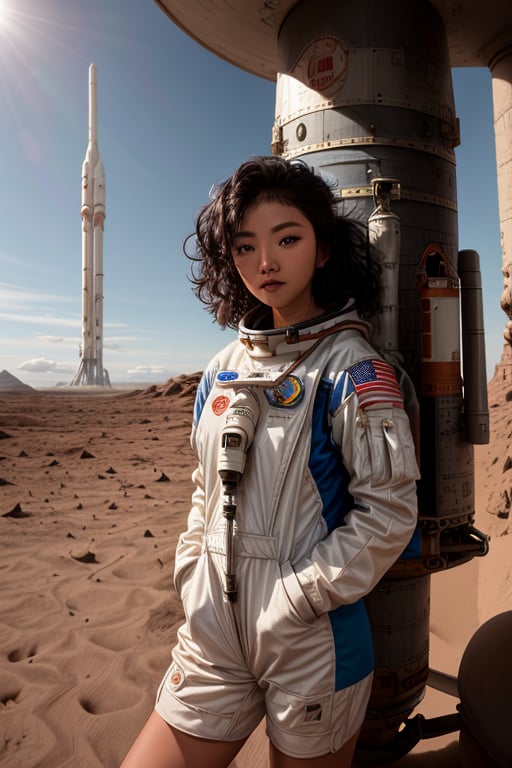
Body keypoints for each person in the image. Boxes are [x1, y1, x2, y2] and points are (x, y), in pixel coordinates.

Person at [120, 156, 419, 768]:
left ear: (324, 249)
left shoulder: (352, 369)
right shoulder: (221, 367)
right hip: (211, 635)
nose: (266, 262)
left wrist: (299, 596)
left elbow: (389, 511)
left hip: (312, 641)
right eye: (246, 245)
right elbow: (205, 486)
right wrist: (191, 571)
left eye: (287, 238)